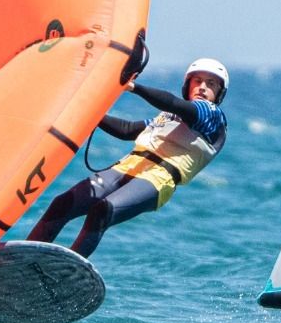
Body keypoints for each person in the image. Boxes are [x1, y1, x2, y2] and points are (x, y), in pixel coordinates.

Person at [30, 57, 230, 258]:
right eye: (197, 81)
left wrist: (134, 87)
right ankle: (24, 257)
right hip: (127, 166)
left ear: (219, 93)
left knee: (103, 210)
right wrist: (90, 112)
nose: (202, 87)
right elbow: (127, 130)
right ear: (188, 85)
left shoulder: (212, 115)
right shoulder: (168, 116)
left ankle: (67, 270)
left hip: (158, 178)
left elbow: (174, 103)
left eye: (211, 84)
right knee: (63, 203)